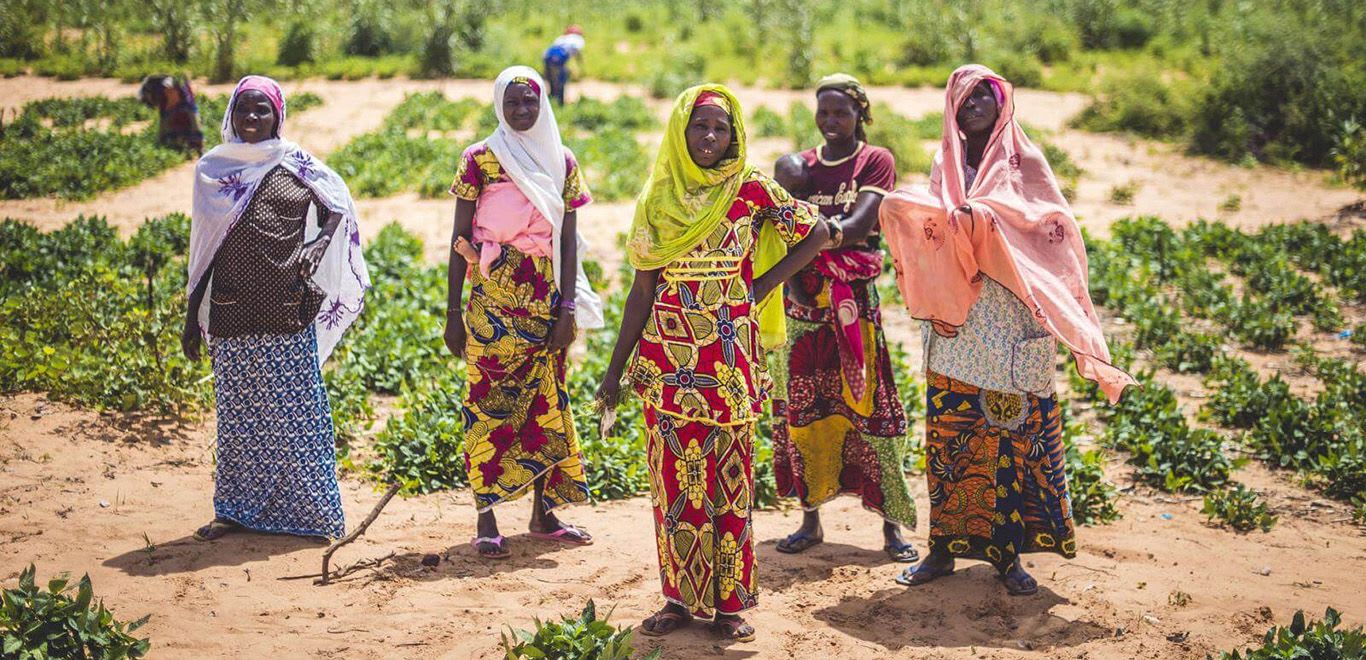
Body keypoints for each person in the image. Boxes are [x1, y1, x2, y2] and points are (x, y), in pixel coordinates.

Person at [879, 64, 1135, 595]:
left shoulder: (1025, 163)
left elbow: (1053, 231)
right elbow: (934, 238)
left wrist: (986, 220)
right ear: (951, 108)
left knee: (1012, 440)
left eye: (983, 98)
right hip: (959, 329)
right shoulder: (943, 165)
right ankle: (943, 549)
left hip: (1014, 320)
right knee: (952, 440)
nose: (972, 107)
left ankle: (1008, 556)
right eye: (964, 99)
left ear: (1002, 105)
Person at [595, 85, 828, 642]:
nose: (709, 138)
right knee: (674, 484)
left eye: (720, 129)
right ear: (681, 132)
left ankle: (728, 607)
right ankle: (677, 599)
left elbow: (816, 231)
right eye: (699, 127)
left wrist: (761, 284)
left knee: (730, 484)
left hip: (730, 366)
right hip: (669, 366)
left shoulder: (749, 189)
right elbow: (641, 291)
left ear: (734, 135)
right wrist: (613, 371)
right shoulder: (659, 198)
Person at [183, 75, 369, 542]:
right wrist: (191, 318)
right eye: (244, 109)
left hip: (288, 310)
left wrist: (319, 242)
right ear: (230, 113)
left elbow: (338, 203)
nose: (251, 119)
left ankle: (312, 516)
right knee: (239, 422)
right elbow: (204, 251)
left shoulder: (297, 165)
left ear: (277, 117)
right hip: (230, 313)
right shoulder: (213, 169)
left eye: (261, 110)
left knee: (298, 418)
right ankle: (234, 511)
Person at [443, 66, 604, 560]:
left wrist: (568, 308)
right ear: (499, 105)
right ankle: (486, 516)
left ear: (543, 105)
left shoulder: (561, 160)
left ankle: (544, 514)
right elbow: (460, 240)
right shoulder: (479, 159)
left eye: (530, 102)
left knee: (546, 405)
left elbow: (568, 238)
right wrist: (453, 312)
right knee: (487, 404)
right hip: (491, 299)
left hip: (545, 299)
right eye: (512, 103)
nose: (521, 111)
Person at [770, 74, 919, 562]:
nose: (831, 121)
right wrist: (809, 246)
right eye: (824, 112)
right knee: (805, 413)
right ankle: (811, 520)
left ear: (861, 115)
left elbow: (859, 227)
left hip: (855, 309)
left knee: (872, 409)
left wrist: (807, 241)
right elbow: (780, 227)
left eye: (841, 112)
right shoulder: (798, 168)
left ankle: (892, 527)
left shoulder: (874, 161)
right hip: (803, 311)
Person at [139, 75, 204, 154]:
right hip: (182, 105)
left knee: (194, 130)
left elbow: (172, 95)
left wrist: (167, 112)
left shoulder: (168, 83)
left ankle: (198, 149)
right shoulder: (164, 90)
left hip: (186, 106)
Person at [542, 25, 585, 106]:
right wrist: (580, 66)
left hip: (547, 57)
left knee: (551, 80)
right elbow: (576, 53)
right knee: (561, 81)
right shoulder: (579, 40)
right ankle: (560, 103)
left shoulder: (561, 38)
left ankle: (551, 100)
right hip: (558, 60)